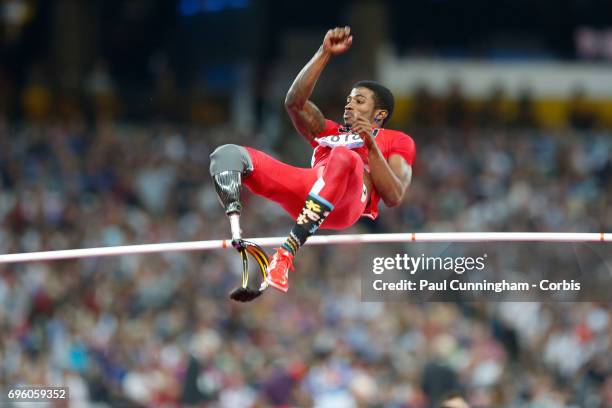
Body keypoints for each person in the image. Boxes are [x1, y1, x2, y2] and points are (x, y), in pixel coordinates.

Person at [209, 26, 415, 293]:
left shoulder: (396, 140)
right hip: (310, 192)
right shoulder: (329, 130)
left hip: (348, 203)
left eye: (359, 101)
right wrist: (324, 52)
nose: (349, 105)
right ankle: (237, 232)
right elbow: (294, 103)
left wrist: (371, 146)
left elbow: (394, 195)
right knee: (228, 153)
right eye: (349, 100)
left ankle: (285, 254)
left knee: (345, 157)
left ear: (379, 114)